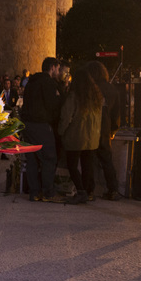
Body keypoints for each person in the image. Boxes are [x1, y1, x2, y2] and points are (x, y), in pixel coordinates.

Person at [19, 57, 63, 203]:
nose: (58, 71)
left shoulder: (31, 82)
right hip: (41, 125)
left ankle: (34, 192)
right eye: (57, 68)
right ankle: (48, 192)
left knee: (32, 159)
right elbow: (52, 106)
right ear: (52, 67)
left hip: (28, 125)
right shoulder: (48, 83)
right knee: (49, 158)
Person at [58, 67, 103, 204]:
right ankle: (88, 191)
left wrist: (60, 131)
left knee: (72, 165)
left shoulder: (74, 96)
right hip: (92, 138)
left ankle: (81, 191)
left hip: (76, 136)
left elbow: (66, 117)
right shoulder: (96, 97)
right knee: (87, 165)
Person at [89, 61, 122, 200]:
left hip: (90, 127)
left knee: (89, 159)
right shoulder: (112, 89)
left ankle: (89, 189)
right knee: (107, 160)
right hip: (105, 128)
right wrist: (114, 129)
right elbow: (116, 113)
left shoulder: (90, 87)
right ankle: (113, 189)